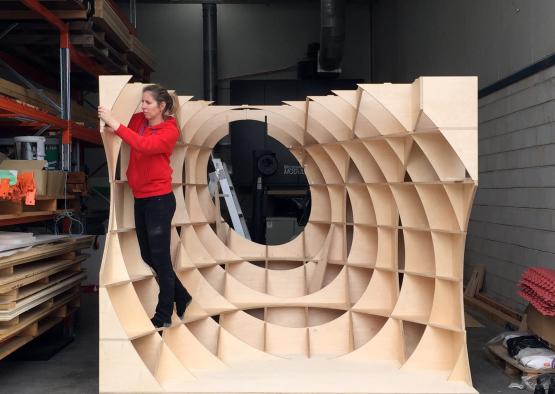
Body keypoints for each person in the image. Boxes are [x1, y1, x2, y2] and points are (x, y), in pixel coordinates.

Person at [98, 84, 191, 329]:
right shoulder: (140, 120)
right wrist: (111, 124)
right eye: (142, 102)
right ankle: (182, 297)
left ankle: (163, 315)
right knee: (148, 255)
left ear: (162, 106)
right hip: (141, 198)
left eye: (148, 103)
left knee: (160, 259)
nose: (143, 107)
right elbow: (126, 130)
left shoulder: (169, 130)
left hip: (159, 200)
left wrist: (114, 123)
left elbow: (143, 146)